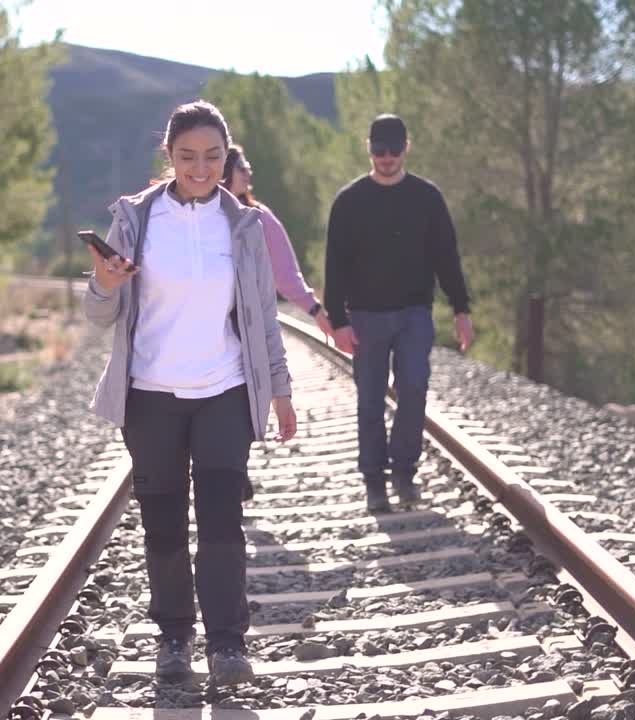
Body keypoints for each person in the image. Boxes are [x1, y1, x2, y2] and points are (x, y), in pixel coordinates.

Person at [81, 100, 296, 686]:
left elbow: (261, 317)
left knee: (223, 521)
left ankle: (228, 644)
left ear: (226, 158)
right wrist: (102, 283)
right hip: (150, 396)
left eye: (212, 157)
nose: (200, 168)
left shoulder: (243, 225)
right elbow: (99, 313)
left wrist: (280, 390)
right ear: (168, 157)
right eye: (187, 157)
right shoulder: (136, 219)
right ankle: (174, 637)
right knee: (165, 525)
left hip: (224, 390)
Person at [323, 113, 474, 513]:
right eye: (378, 150)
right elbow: (334, 264)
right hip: (366, 317)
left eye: (393, 150)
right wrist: (337, 319)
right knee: (370, 400)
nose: (386, 157)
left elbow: (447, 258)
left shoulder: (427, 198)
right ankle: (374, 481)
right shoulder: (349, 202)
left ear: (407, 147)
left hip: (413, 313)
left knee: (414, 389)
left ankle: (404, 472)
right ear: (368, 148)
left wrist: (461, 309)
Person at [221, 145, 334, 338]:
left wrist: (315, 310)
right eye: (241, 167)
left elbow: (285, 273)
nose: (248, 171)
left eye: (248, 166)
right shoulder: (201, 216)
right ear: (224, 171)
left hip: (247, 325)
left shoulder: (259, 218)